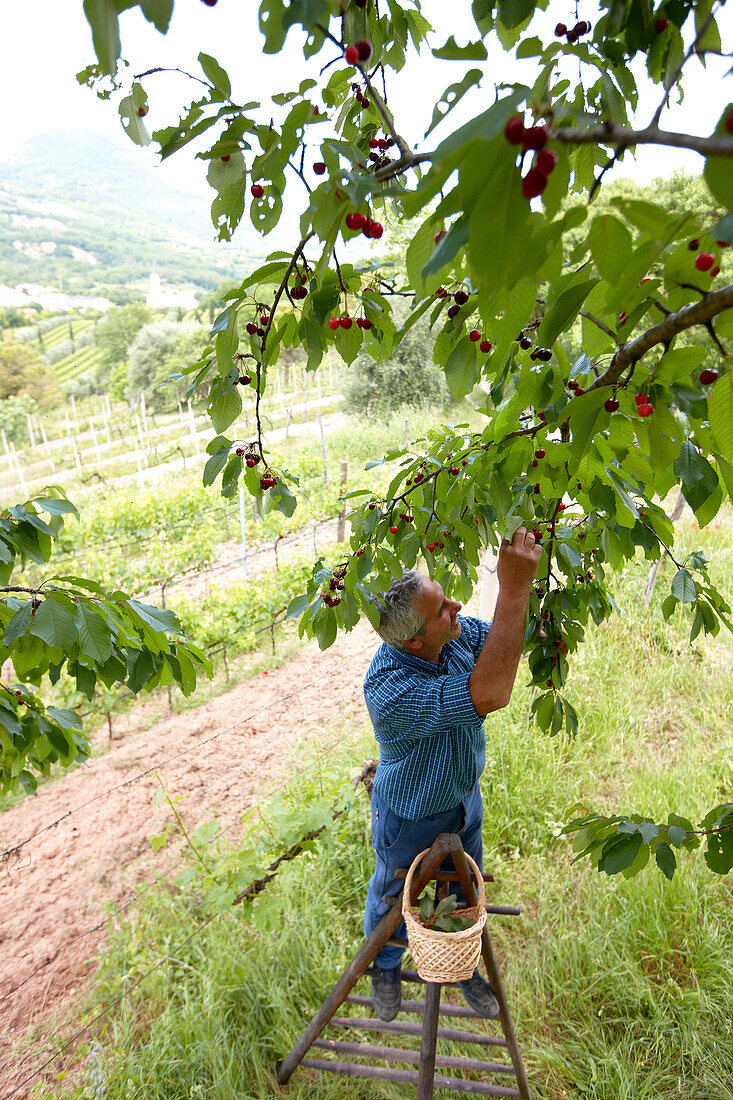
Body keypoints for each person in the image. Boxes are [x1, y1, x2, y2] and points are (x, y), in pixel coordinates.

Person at [362, 526, 543, 1022]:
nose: (458, 606)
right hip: (411, 816)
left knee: (465, 886)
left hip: (464, 800)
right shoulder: (388, 691)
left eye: (446, 597)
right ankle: (385, 963)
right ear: (415, 638)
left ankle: (462, 969)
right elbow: (490, 692)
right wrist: (514, 588)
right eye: (442, 609)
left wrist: (531, 598)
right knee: (393, 897)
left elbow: (504, 645)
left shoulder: (455, 639)